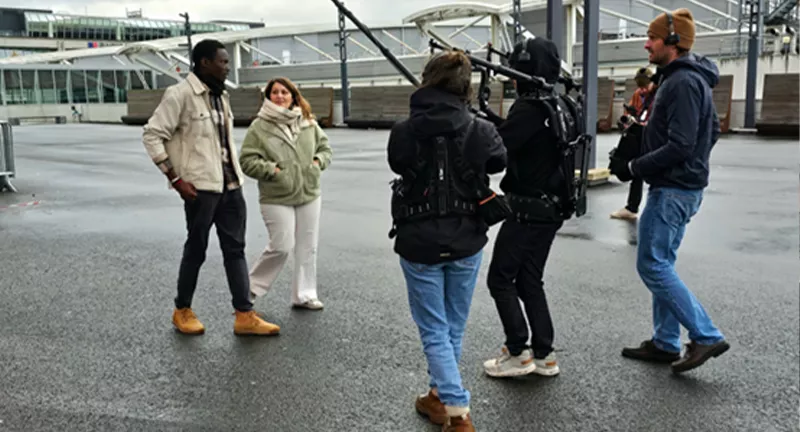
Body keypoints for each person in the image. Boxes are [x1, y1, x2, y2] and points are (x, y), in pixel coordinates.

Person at [387, 51, 506, 431]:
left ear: (427, 80)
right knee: (452, 325)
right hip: (466, 239)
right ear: (465, 87)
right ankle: (438, 397)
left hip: (418, 239)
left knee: (434, 328)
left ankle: (456, 408)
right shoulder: (480, 128)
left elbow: (398, 164)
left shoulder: (404, 130)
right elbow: (498, 162)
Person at [609, 8, 730, 373]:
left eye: (653, 38)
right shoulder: (686, 79)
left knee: (652, 264)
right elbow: (710, 134)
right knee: (662, 262)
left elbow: (681, 143)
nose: (646, 44)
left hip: (673, 190)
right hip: (681, 186)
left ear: (673, 43)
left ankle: (706, 335)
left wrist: (635, 167)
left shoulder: (681, 83)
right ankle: (665, 341)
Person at [142, 39, 280, 336]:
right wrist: (176, 180)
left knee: (235, 250)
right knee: (197, 248)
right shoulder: (179, 95)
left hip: (231, 186)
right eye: (223, 61)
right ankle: (182, 310)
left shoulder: (221, 96)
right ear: (204, 62)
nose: (227, 66)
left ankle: (244, 314)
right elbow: (152, 135)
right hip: (200, 188)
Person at [481, 37, 574, 379]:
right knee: (530, 279)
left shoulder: (529, 108)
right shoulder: (560, 103)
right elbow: (519, 137)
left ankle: (518, 351)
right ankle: (544, 354)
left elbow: (499, 152)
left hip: (525, 208)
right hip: (552, 208)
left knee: (500, 278)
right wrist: (490, 118)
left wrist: (478, 128)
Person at [239, 77, 332, 311]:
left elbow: (325, 148)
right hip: (276, 195)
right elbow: (247, 160)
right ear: (268, 97)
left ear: (293, 96)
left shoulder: (308, 122)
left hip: (309, 192)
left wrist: (317, 162)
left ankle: (305, 294)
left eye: (284, 92)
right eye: (275, 93)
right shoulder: (259, 126)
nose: (280, 96)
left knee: (307, 246)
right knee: (281, 245)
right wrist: (273, 170)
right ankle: (248, 289)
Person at [610, 67, 656, 221]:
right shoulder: (639, 94)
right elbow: (630, 113)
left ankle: (650, 208)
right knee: (637, 168)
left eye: (645, 84)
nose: (642, 88)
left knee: (653, 170)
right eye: (639, 84)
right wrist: (627, 120)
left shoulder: (658, 95)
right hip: (640, 134)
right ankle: (632, 207)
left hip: (653, 135)